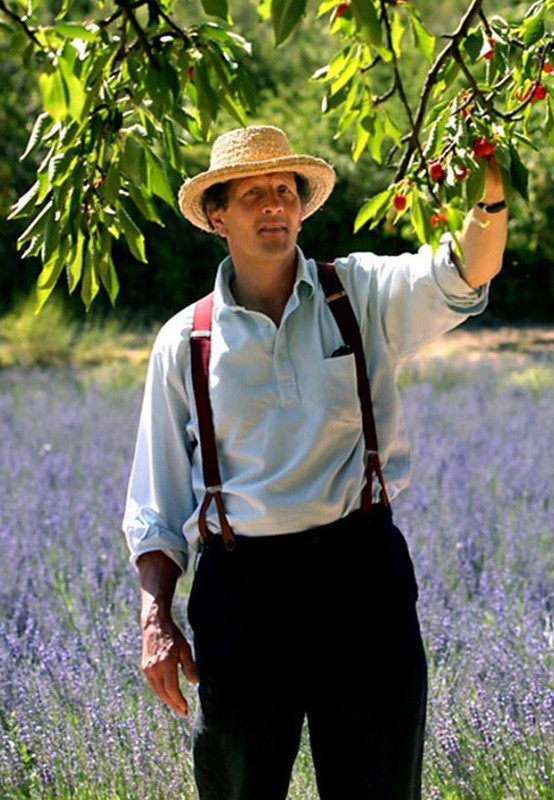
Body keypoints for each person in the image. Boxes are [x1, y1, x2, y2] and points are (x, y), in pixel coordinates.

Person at [122, 125, 507, 800]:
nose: (273, 205)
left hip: (360, 580)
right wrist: (157, 619)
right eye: (252, 195)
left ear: (301, 207)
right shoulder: (185, 341)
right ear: (219, 217)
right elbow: (156, 502)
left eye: (284, 191)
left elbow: (467, 270)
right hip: (243, 594)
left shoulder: (358, 293)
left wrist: (491, 194)